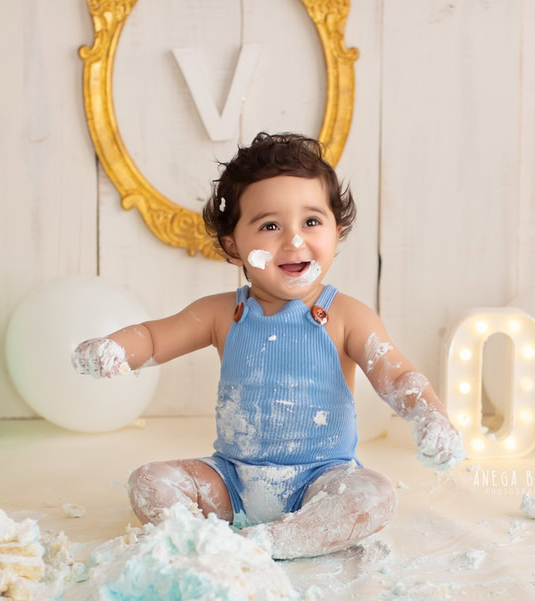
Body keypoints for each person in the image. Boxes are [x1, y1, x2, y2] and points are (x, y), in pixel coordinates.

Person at [71, 132, 464, 558]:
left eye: (311, 222)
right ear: (233, 245)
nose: (294, 241)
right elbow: (154, 337)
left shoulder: (347, 315)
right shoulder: (223, 313)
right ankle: (203, 538)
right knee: (149, 482)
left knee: (374, 496)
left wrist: (431, 415)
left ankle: (269, 541)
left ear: (338, 230)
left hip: (321, 479)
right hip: (233, 481)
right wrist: (115, 348)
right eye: (270, 226)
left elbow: (397, 374)